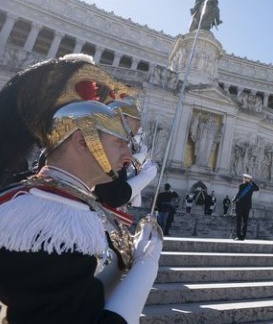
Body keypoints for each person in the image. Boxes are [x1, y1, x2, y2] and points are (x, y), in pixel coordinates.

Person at [0, 58, 162, 323]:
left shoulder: (70, 204)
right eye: (119, 143)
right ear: (81, 142)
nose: (128, 156)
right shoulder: (45, 221)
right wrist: (145, 268)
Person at [233, 174, 259, 241]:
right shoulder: (251, 186)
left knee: (239, 221)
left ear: (245, 179)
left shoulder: (241, 186)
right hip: (247, 206)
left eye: (244, 178)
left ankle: (239, 236)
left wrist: (234, 200)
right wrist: (251, 181)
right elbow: (257, 188)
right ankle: (243, 236)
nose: (243, 179)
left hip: (240, 205)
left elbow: (238, 194)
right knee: (245, 221)